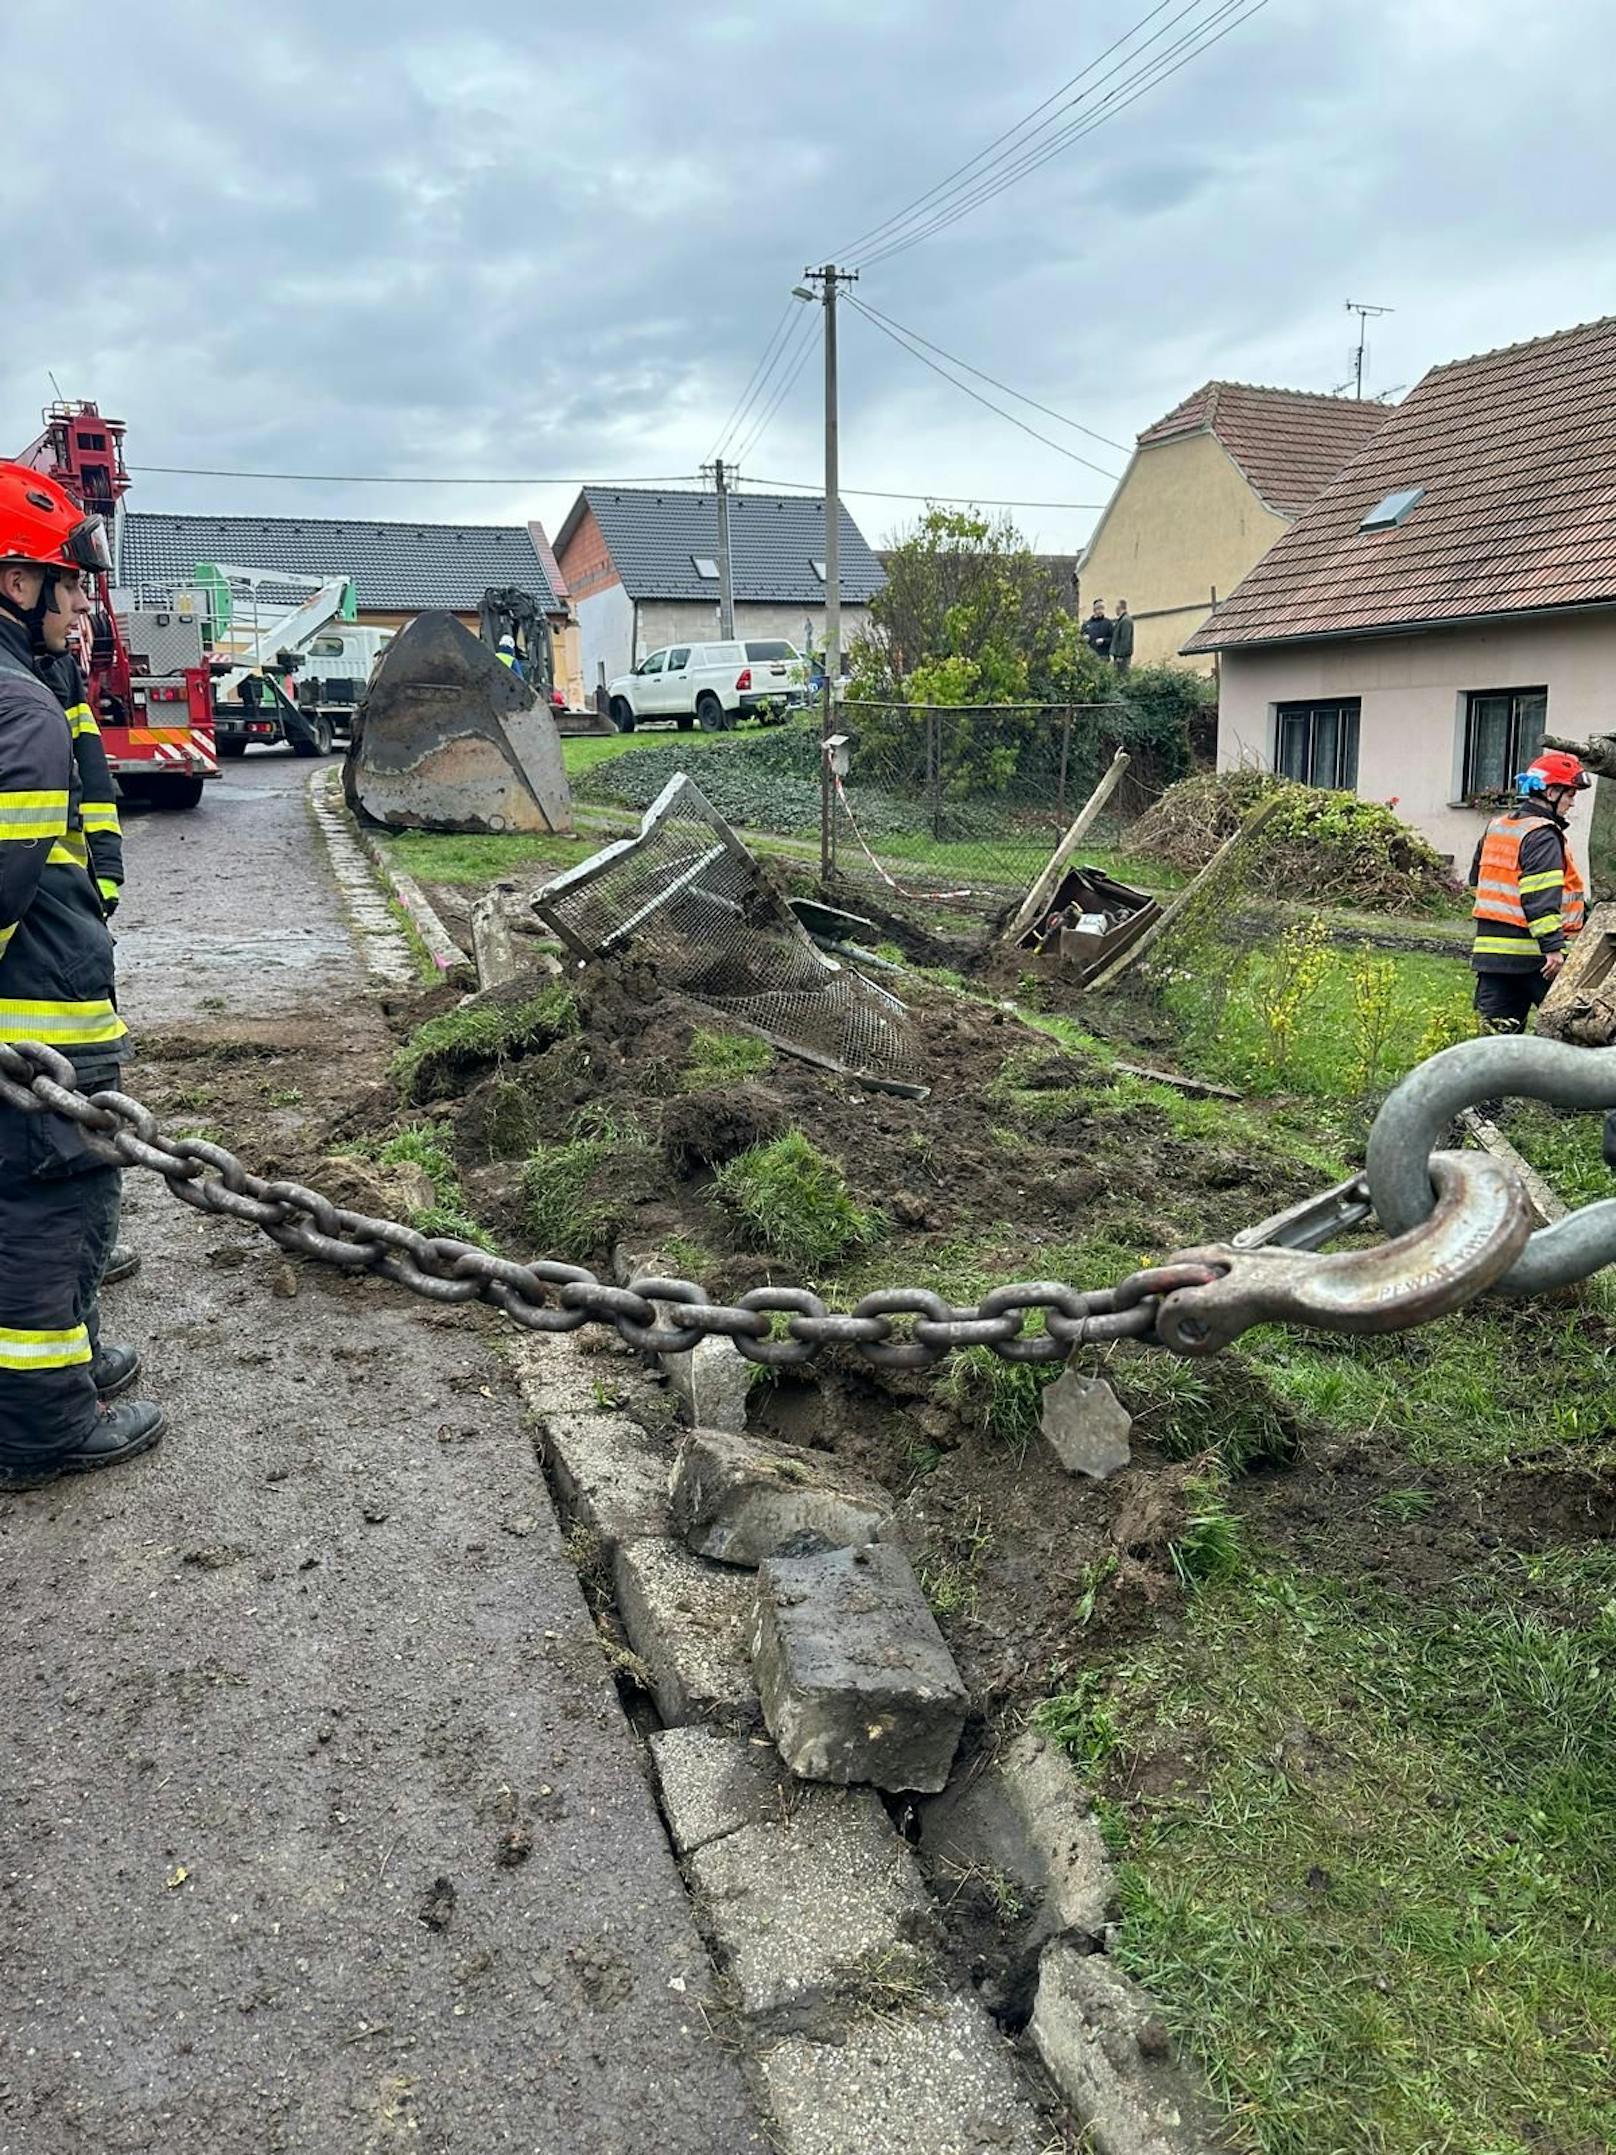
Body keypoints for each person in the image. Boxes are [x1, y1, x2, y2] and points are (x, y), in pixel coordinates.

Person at [0, 461, 163, 1491]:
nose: (78, 603)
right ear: (15, 583)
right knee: (52, 1207)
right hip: (38, 1031)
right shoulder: (17, 713)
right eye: (65, 583)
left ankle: (74, 1362)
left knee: (58, 1201)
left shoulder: (29, 695)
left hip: (41, 1014)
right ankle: (45, 1420)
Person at [34, 637, 141, 1291]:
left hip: (71, 928)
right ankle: (66, 1379)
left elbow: (89, 773)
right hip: (43, 962)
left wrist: (104, 869)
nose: (83, 606)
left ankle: (83, 1265)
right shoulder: (18, 687)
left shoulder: (54, 667)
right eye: (70, 584)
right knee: (66, 1149)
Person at [1468, 748, 1589, 1034]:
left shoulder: (1496, 826)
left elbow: (1477, 878)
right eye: (1570, 794)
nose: (1572, 803)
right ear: (1550, 793)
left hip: (1491, 957)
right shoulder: (1543, 834)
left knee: (1496, 1047)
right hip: (1535, 958)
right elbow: (1540, 897)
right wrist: (1553, 949)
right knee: (1572, 1034)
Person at [1110, 599, 1135, 674]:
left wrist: (1120, 655)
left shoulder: (1125, 621)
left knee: (1122, 675)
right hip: (1119, 655)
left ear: (1119, 608)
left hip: (1122, 656)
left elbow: (1125, 639)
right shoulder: (1122, 620)